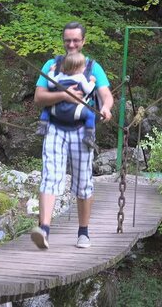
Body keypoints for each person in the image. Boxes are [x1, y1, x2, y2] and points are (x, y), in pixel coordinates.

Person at [30, 21, 114, 249]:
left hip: (81, 130)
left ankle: (83, 232)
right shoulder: (52, 64)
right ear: (63, 40)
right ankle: (44, 229)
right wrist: (64, 96)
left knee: (83, 182)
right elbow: (39, 96)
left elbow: (106, 94)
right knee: (50, 176)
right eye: (68, 40)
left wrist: (106, 108)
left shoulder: (92, 67)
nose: (71, 44)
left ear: (84, 41)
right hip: (55, 127)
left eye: (76, 40)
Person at [35, 51, 97, 148]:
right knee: (91, 115)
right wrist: (93, 82)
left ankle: (42, 126)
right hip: (75, 111)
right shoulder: (81, 77)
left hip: (57, 109)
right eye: (83, 66)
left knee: (47, 108)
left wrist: (51, 71)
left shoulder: (60, 75)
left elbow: (50, 84)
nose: (84, 68)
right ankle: (89, 136)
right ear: (77, 68)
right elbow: (88, 90)